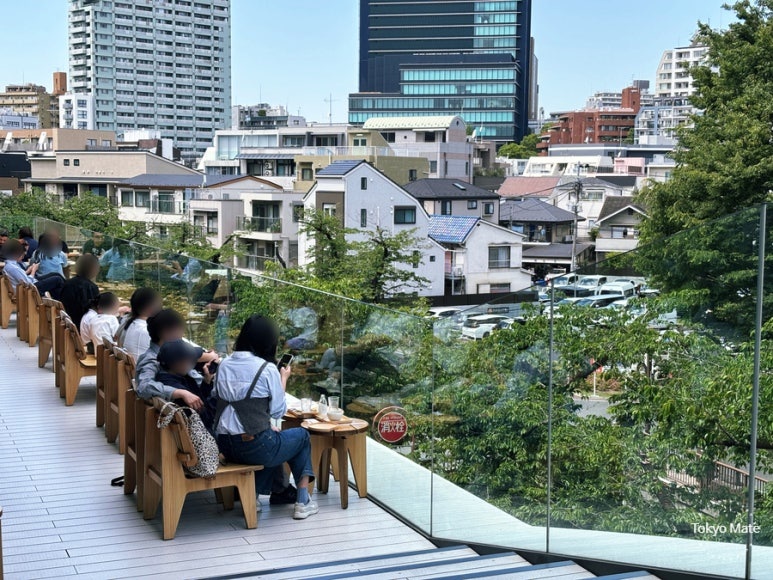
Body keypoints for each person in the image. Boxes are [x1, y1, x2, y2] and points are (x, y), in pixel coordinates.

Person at [214, 315, 318, 520]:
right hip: (254, 447)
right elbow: (278, 411)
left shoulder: (224, 364)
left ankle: (253, 498)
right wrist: (283, 379)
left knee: (271, 440)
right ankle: (303, 501)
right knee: (301, 437)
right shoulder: (267, 369)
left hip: (225, 445)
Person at [135, 308, 219, 406]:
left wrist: (206, 380)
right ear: (166, 332)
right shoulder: (151, 359)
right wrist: (179, 393)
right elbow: (144, 387)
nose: (182, 334)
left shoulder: (174, 352)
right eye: (180, 330)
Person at [156, 339, 217, 432]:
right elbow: (205, 417)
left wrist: (207, 381)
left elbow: (200, 402)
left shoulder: (172, 378)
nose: (193, 362)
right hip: (202, 436)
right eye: (190, 359)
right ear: (178, 362)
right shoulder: (177, 387)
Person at [0, 239, 64, 299]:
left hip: (27, 286)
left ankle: (59, 297)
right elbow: (28, 283)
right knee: (57, 280)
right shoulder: (13, 267)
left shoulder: (9, 265)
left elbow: (21, 278)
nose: (23, 256)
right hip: (30, 289)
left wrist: (28, 270)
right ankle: (62, 300)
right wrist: (33, 270)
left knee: (55, 274)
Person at [116, 287, 161, 358]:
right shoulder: (146, 331)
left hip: (130, 366)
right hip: (140, 368)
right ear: (150, 308)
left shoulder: (126, 320)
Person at [60, 254, 101, 328]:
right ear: (94, 269)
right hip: (82, 328)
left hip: (68, 324)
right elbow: (94, 313)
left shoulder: (67, 283)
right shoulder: (91, 288)